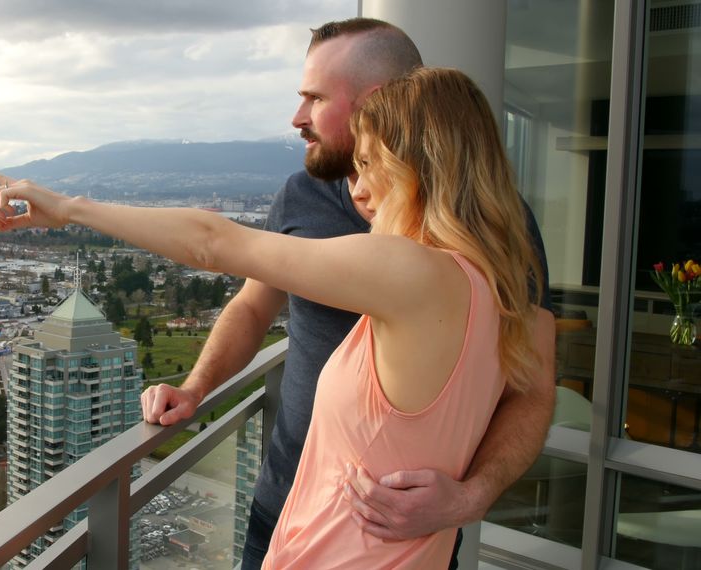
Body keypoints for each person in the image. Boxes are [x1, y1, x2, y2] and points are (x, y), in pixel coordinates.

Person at [0, 65, 552, 567]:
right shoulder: (494, 282)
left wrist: (69, 207)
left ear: (417, 168)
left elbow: (212, 242)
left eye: (371, 162)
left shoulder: (415, 273)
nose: (360, 189)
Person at [134, 19, 556, 569]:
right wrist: (196, 388)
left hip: (399, 533)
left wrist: (472, 497)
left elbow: (533, 388)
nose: (297, 118)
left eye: (314, 97)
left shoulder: (493, 227)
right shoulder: (299, 194)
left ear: (374, 102)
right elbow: (253, 304)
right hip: (283, 505)